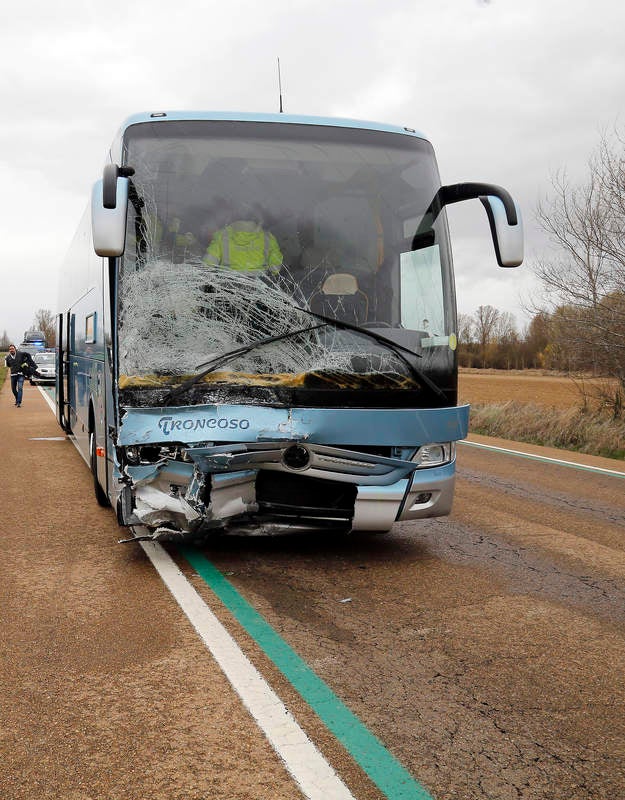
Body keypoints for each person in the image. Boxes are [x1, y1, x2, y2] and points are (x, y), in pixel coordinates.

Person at [203, 204, 282, 273]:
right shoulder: (267, 237)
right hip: (259, 285)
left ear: (234, 218)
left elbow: (208, 263)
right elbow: (275, 268)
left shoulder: (222, 235)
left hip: (229, 283)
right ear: (256, 218)